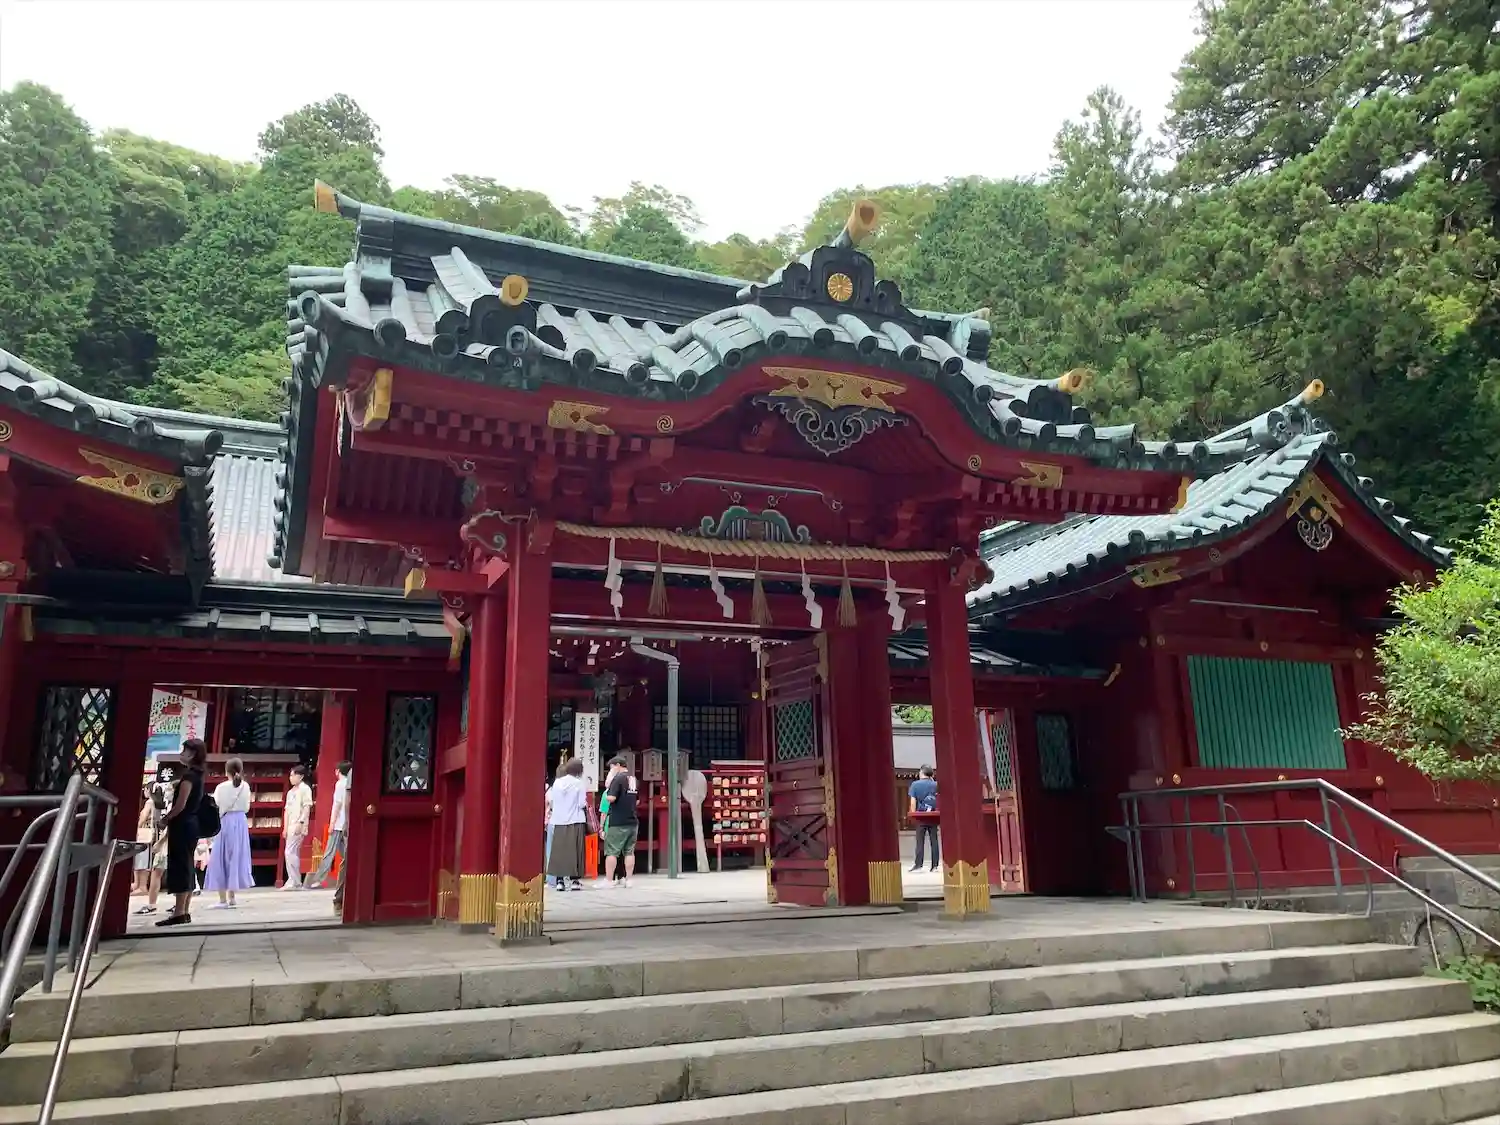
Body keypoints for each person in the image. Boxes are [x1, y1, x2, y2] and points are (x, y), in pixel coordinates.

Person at [156, 738, 206, 927]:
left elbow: (180, 805)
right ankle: (184, 911)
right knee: (187, 865)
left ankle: (178, 912)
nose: (181, 754)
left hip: (182, 824)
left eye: (184, 751)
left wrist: (165, 819)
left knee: (180, 867)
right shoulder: (199, 775)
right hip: (192, 824)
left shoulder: (188, 777)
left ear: (192, 754)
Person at [205, 756, 255, 908]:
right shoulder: (245, 786)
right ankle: (232, 897)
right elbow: (247, 807)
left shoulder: (221, 787)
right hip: (240, 821)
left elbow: (216, 807)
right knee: (235, 857)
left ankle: (222, 900)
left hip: (225, 821)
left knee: (221, 858)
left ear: (227, 771)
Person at [305, 761, 351, 901]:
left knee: (329, 852)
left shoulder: (340, 784)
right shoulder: (350, 783)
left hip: (338, 824)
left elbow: (337, 805)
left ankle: (319, 879)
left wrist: (331, 823)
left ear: (338, 771)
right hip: (347, 823)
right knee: (346, 854)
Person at [545, 758, 590, 891]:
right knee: (576, 850)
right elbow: (581, 803)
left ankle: (560, 881)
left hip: (558, 820)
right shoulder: (579, 783)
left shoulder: (557, 782)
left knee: (559, 851)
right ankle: (574, 880)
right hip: (576, 819)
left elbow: (553, 800)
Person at [596, 756, 639, 889]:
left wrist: (609, 791)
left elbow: (611, 797)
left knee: (612, 852)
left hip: (618, 821)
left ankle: (609, 880)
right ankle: (629, 880)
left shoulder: (618, 778)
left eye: (612, 767)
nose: (611, 770)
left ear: (618, 765)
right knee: (629, 852)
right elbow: (637, 800)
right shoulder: (633, 779)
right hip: (632, 820)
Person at [282, 764, 312, 889]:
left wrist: (301, 822)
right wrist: (285, 827)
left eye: (293, 775)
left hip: (299, 823)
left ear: (301, 776)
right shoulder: (290, 792)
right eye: (290, 775)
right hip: (290, 824)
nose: (291, 778)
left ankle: (294, 880)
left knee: (290, 851)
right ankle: (294, 879)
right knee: (291, 852)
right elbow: (287, 810)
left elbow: (307, 807)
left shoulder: (305, 789)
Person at [909, 766, 939, 872]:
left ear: (922, 773)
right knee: (934, 840)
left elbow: (913, 802)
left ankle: (918, 865)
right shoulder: (936, 784)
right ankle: (934, 866)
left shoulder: (915, 785)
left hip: (921, 816)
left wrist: (913, 815)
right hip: (933, 816)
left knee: (920, 841)